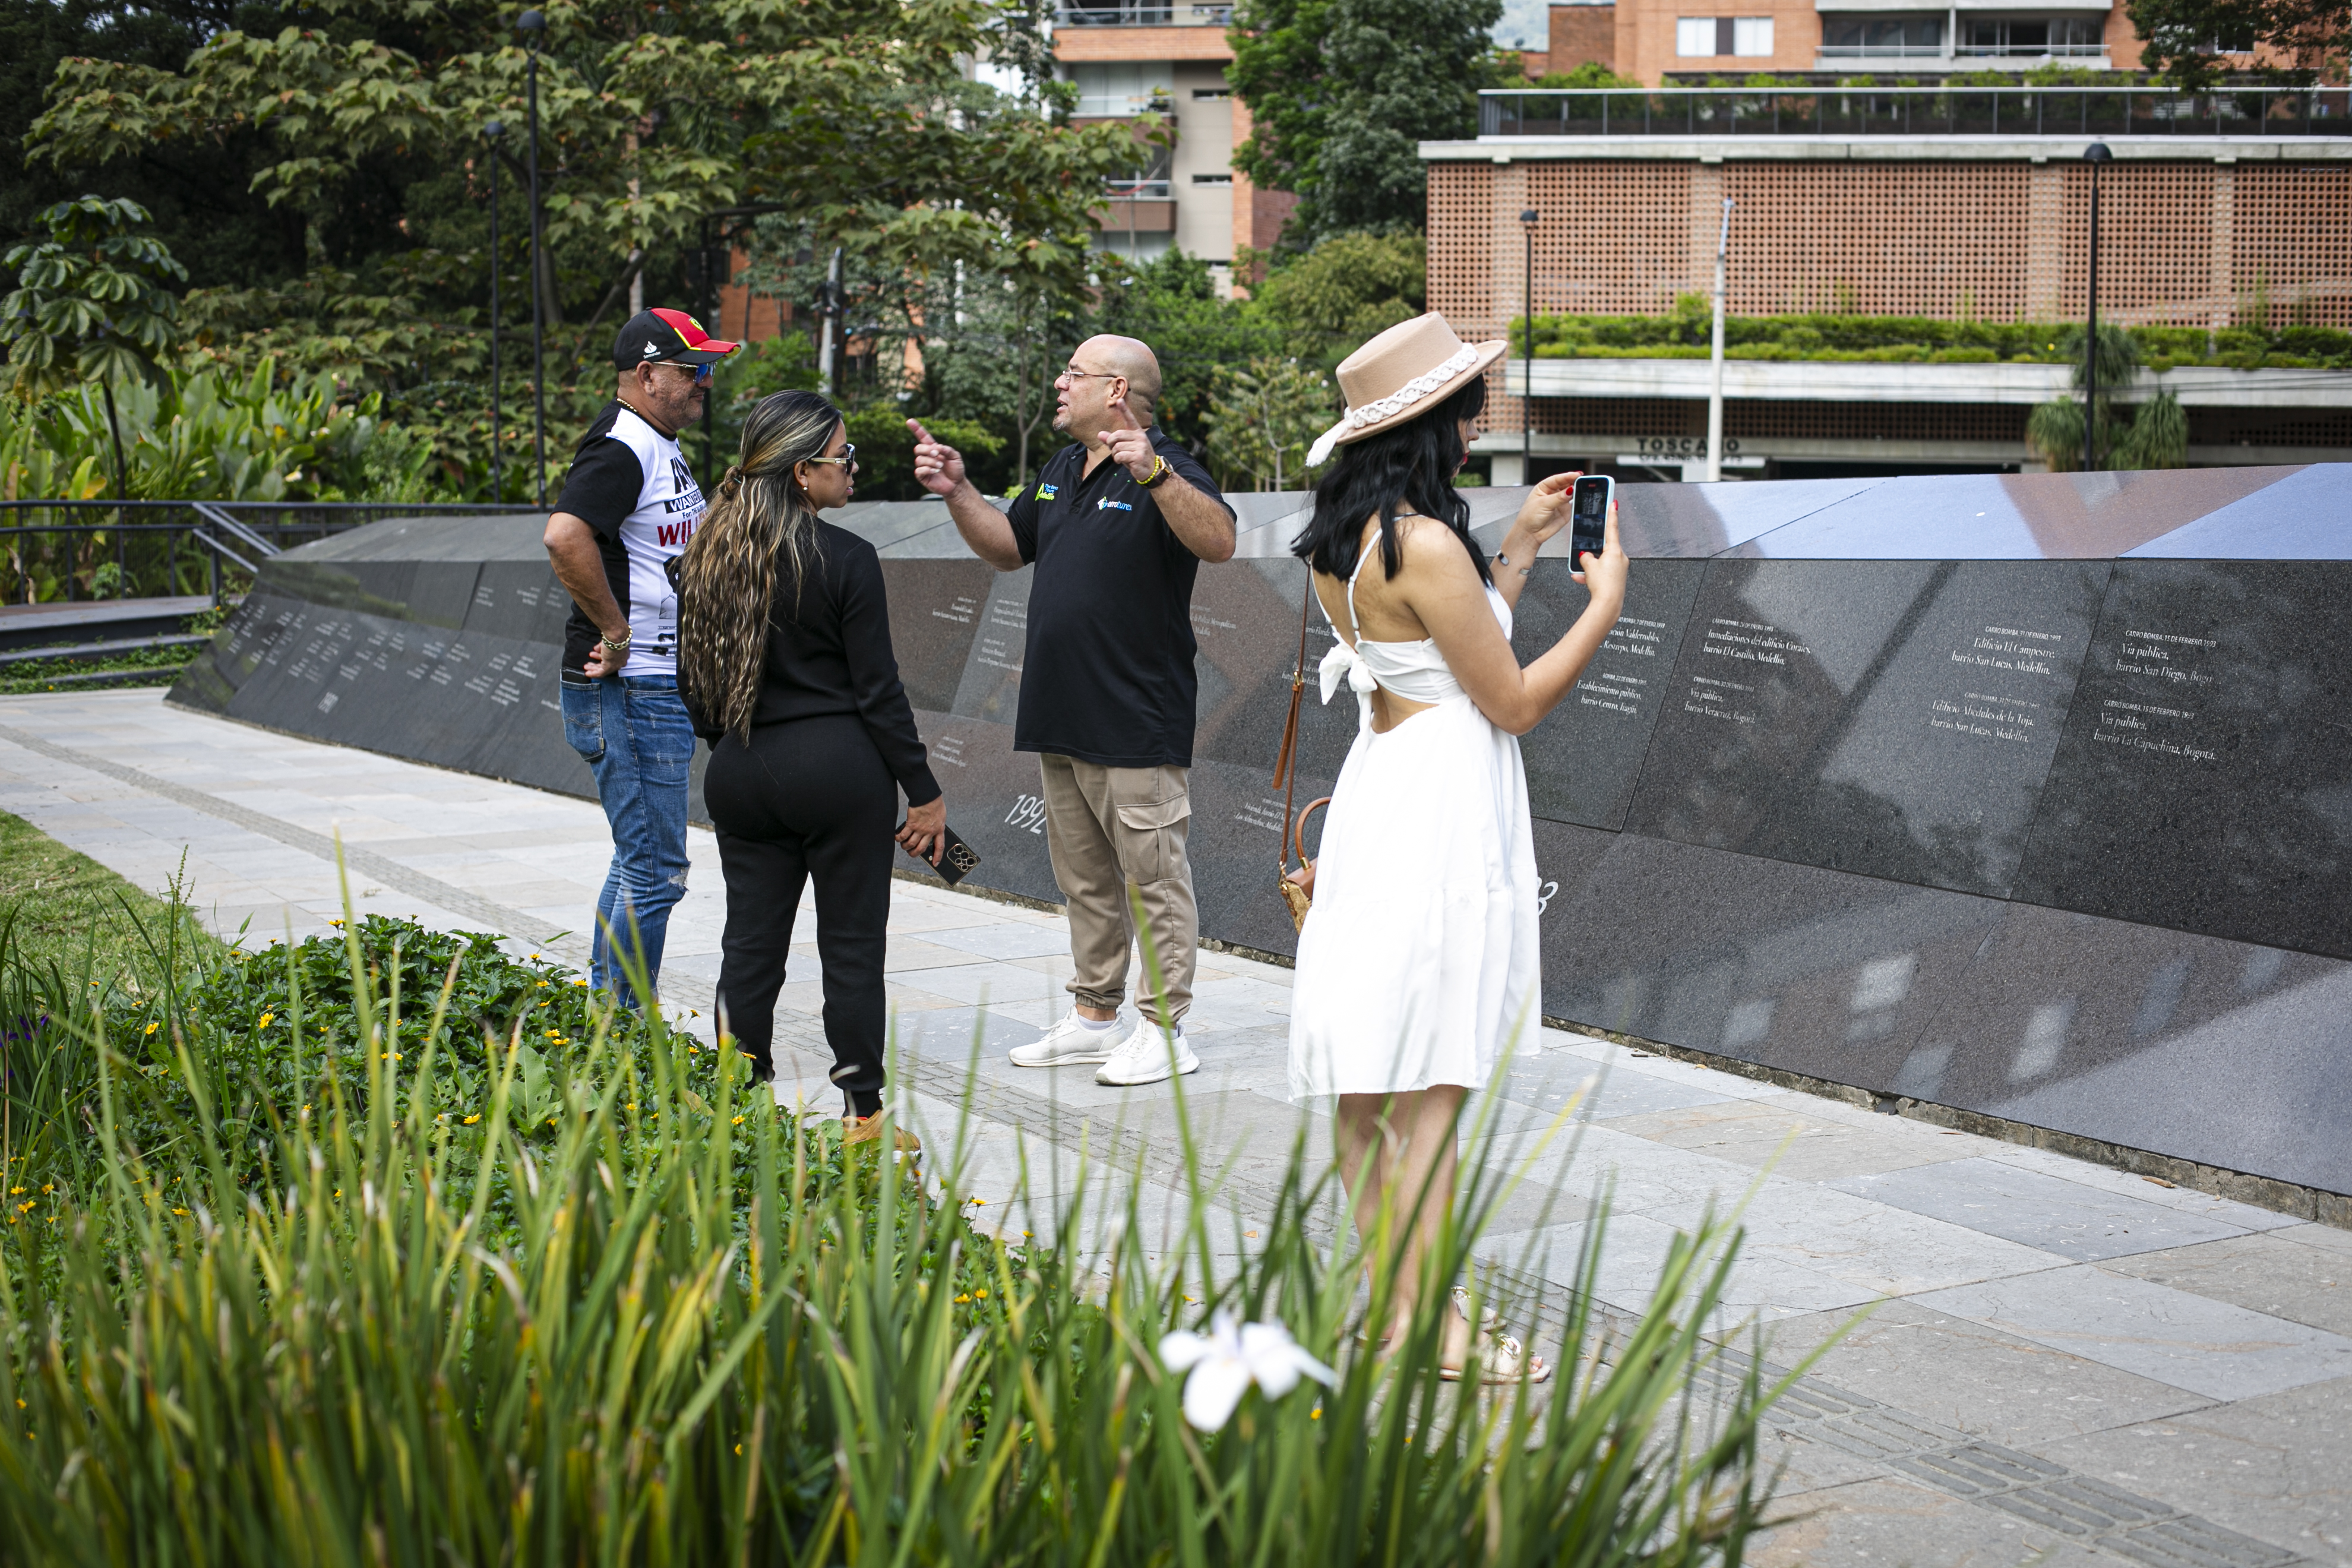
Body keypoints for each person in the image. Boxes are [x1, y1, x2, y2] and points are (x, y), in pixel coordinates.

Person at [1286, 312, 1629, 1383]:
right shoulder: (1423, 544)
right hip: (1440, 804)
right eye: (1471, 414)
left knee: (1369, 1078)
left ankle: (1392, 1304)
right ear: (1433, 428)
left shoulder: (1350, 541)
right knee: (1430, 1075)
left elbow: (1447, 656)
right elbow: (1512, 699)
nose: (1479, 434)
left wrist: (1520, 548)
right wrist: (1605, 605)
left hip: (1389, 787)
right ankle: (1430, 1328)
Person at [909, 336, 1236, 1087]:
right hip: (1060, 711)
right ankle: (1096, 1017)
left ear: (1116, 388)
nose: (1060, 384)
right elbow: (1006, 548)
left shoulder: (1169, 466)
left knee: (1152, 876)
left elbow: (1218, 541)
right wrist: (959, 491)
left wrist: (1150, 472)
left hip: (1136, 719)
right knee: (1084, 879)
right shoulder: (1061, 469)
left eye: (1074, 374)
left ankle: (1165, 1029)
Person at [675, 391, 946, 1152]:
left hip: (742, 769)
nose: (853, 469)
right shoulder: (846, 557)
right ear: (802, 473)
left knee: (749, 943)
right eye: (844, 458)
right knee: (852, 946)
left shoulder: (704, 555)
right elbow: (879, 693)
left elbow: (692, 680)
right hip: (839, 772)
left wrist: (729, 743)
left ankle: (736, 1099)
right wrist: (922, 792)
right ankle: (862, 1115)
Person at [545, 307, 739, 1006]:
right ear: (648, 374)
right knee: (657, 868)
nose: (706, 384)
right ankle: (623, 1033)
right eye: (695, 371)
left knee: (640, 862)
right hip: (631, 689)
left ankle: (606, 1016)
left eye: (709, 369)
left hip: (653, 686)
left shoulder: (657, 440)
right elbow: (565, 537)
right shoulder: (622, 448)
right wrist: (619, 634)